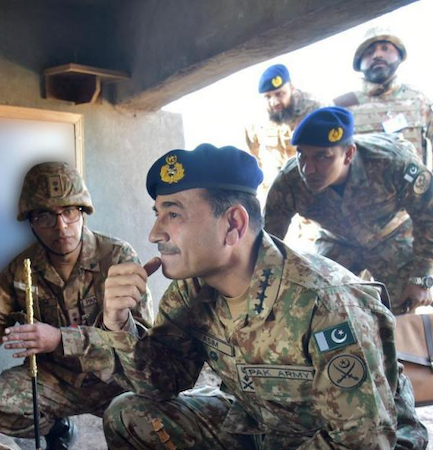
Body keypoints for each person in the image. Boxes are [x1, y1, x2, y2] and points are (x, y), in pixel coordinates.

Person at [63, 144, 427, 449]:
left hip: (354, 441)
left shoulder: (326, 303)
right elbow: (160, 385)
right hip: (263, 426)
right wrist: (119, 325)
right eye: (158, 214)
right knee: (128, 414)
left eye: (172, 213)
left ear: (234, 224)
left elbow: (362, 442)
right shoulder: (190, 293)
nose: (155, 232)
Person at [0, 161, 153, 450]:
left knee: (153, 419)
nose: (61, 227)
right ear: (31, 222)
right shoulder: (21, 268)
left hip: (114, 376)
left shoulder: (116, 256)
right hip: (54, 379)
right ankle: (58, 429)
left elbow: (142, 340)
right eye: (45, 216)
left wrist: (61, 339)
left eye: (69, 212)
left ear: (83, 212)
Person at [264, 106, 433, 314]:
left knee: (401, 308)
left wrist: (422, 279)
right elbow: (268, 240)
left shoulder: (392, 163)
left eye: (321, 157)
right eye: (302, 155)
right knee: (321, 304)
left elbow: (428, 218)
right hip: (337, 241)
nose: (308, 169)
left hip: (391, 237)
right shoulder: (289, 182)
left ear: (348, 154)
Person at [333, 27, 433, 166]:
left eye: (385, 48)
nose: (377, 55)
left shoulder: (418, 100)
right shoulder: (341, 107)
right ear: (359, 62)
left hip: (413, 186)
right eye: (369, 52)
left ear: (399, 54)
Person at [244, 64, 323, 199]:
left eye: (279, 94)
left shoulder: (316, 109)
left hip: (314, 185)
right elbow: (251, 155)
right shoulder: (257, 119)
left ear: (292, 88)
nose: (274, 102)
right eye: (267, 97)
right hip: (280, 188)